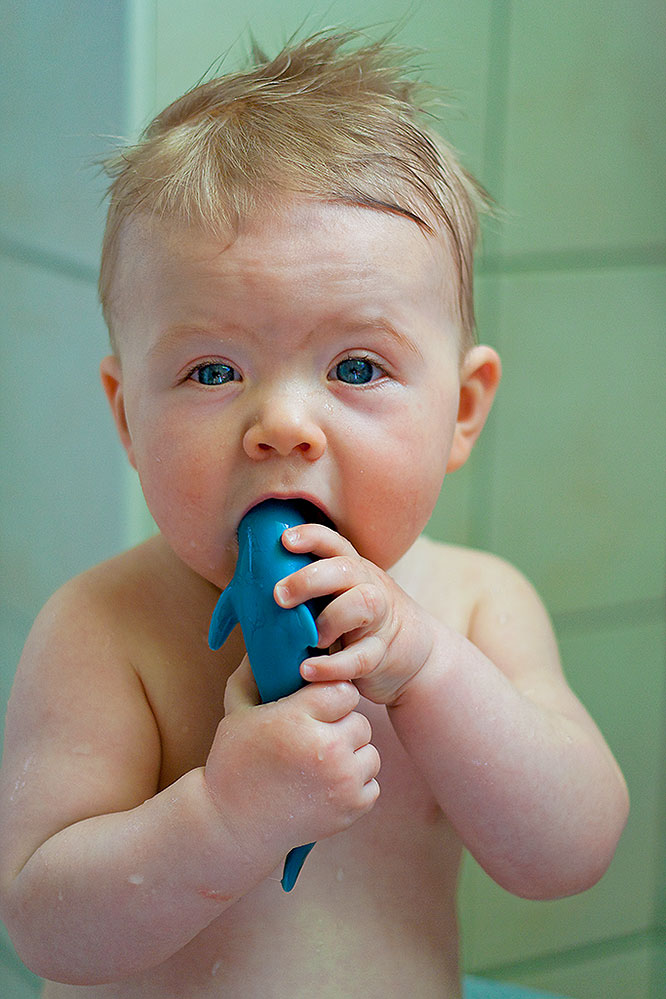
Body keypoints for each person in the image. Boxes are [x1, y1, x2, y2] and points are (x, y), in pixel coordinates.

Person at [0, 31, 628, 998]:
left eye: (356, 367)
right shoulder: (102, 631)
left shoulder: (475, 609)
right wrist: (223, 815)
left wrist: (428, 669)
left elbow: (569, 853)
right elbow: (47, 925)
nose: (283, 425)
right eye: (214, 370)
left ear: (460, 410)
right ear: (129, 415)